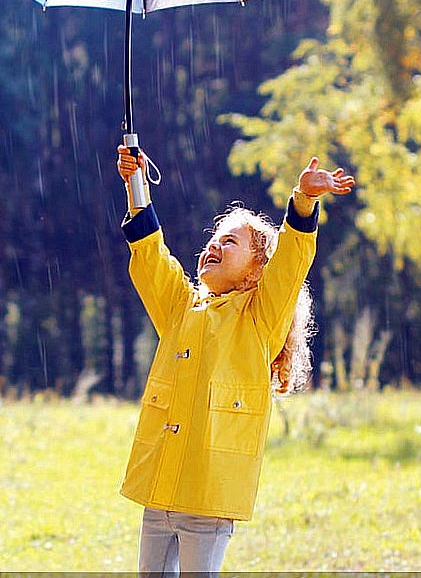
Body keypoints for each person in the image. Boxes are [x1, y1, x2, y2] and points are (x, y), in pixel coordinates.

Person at [116, 144, 355, 575]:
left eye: (230, 241)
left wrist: (303, 202)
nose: (214, 246)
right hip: (160, 487)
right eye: (212, 240)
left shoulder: (261, 319)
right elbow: (151, 257)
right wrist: (136, 187)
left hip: (209, 497)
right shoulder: (180, 308)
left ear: (256, 269)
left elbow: (292, 261)